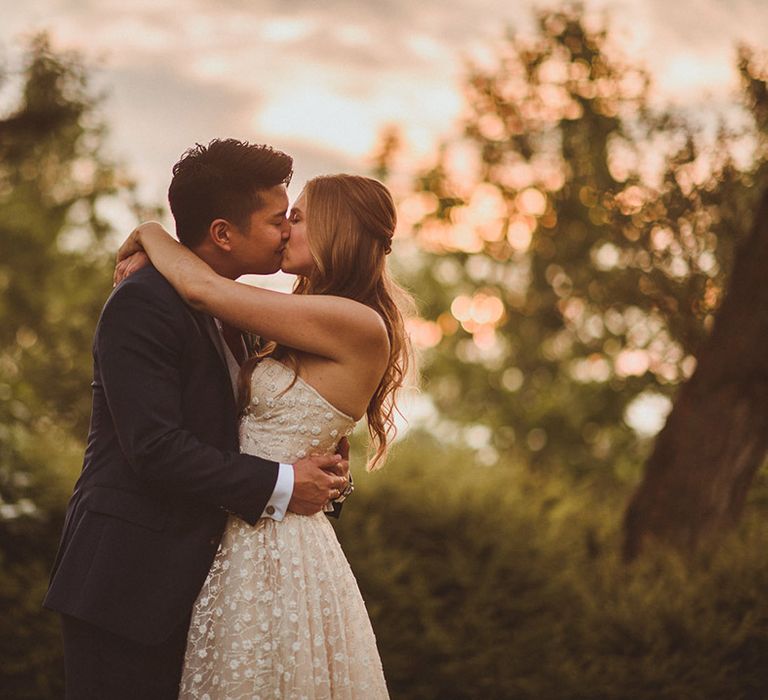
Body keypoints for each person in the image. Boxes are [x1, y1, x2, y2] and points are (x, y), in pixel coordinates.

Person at [43, 139, 350, 700]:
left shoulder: (237, 312)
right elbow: (155, 448)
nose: (287, 231)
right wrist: (284, 483)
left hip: (208, 585)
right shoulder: (143, 303)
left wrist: (318, 469)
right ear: (223, 233)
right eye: (277, 219)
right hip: (128, 582)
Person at [115, 172, 413, 699]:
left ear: (335, 231)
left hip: (280, 548)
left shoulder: (356, 321)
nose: (284, 231)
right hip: (241, 530)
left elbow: (203, 289)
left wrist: (149, 233)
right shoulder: (297, 320)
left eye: (296, 218)